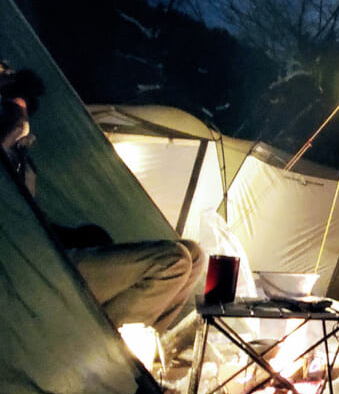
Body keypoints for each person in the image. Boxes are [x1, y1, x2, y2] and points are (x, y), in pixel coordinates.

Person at [0, 62, 206, 333]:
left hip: (51, 253)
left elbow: (26, 217)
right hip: (34, 270)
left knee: (195, 254)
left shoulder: (20, 159)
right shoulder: (7, 141)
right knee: (174, 260)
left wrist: (74, 235)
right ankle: (110, 353)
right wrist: (14, 124)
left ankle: (144, 345)